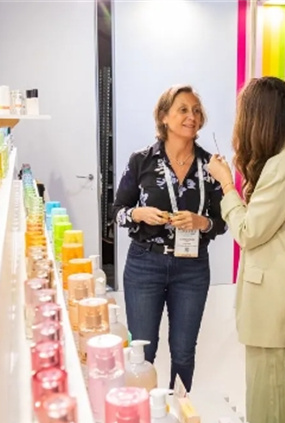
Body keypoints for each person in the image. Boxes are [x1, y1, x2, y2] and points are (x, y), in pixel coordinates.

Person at [207, 76, 285, 423]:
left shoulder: (284, 166)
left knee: (268, 404)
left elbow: (248, 232)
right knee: (276, 392)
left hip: (276, 304)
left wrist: (226, 184)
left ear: (258, 118)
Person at [112, 84, 226, 391]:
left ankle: (181, 411)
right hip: (144, 264)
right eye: (183, 110)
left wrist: (202, 222)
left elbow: (223, 222)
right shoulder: (141, 161)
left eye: (197, 111)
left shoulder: (211, 166)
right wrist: (138, 214)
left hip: (192, 268)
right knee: (143, 351)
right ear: (164, 117)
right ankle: (141, 412)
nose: (192, 116)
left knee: (184, 352)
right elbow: (117, 211)